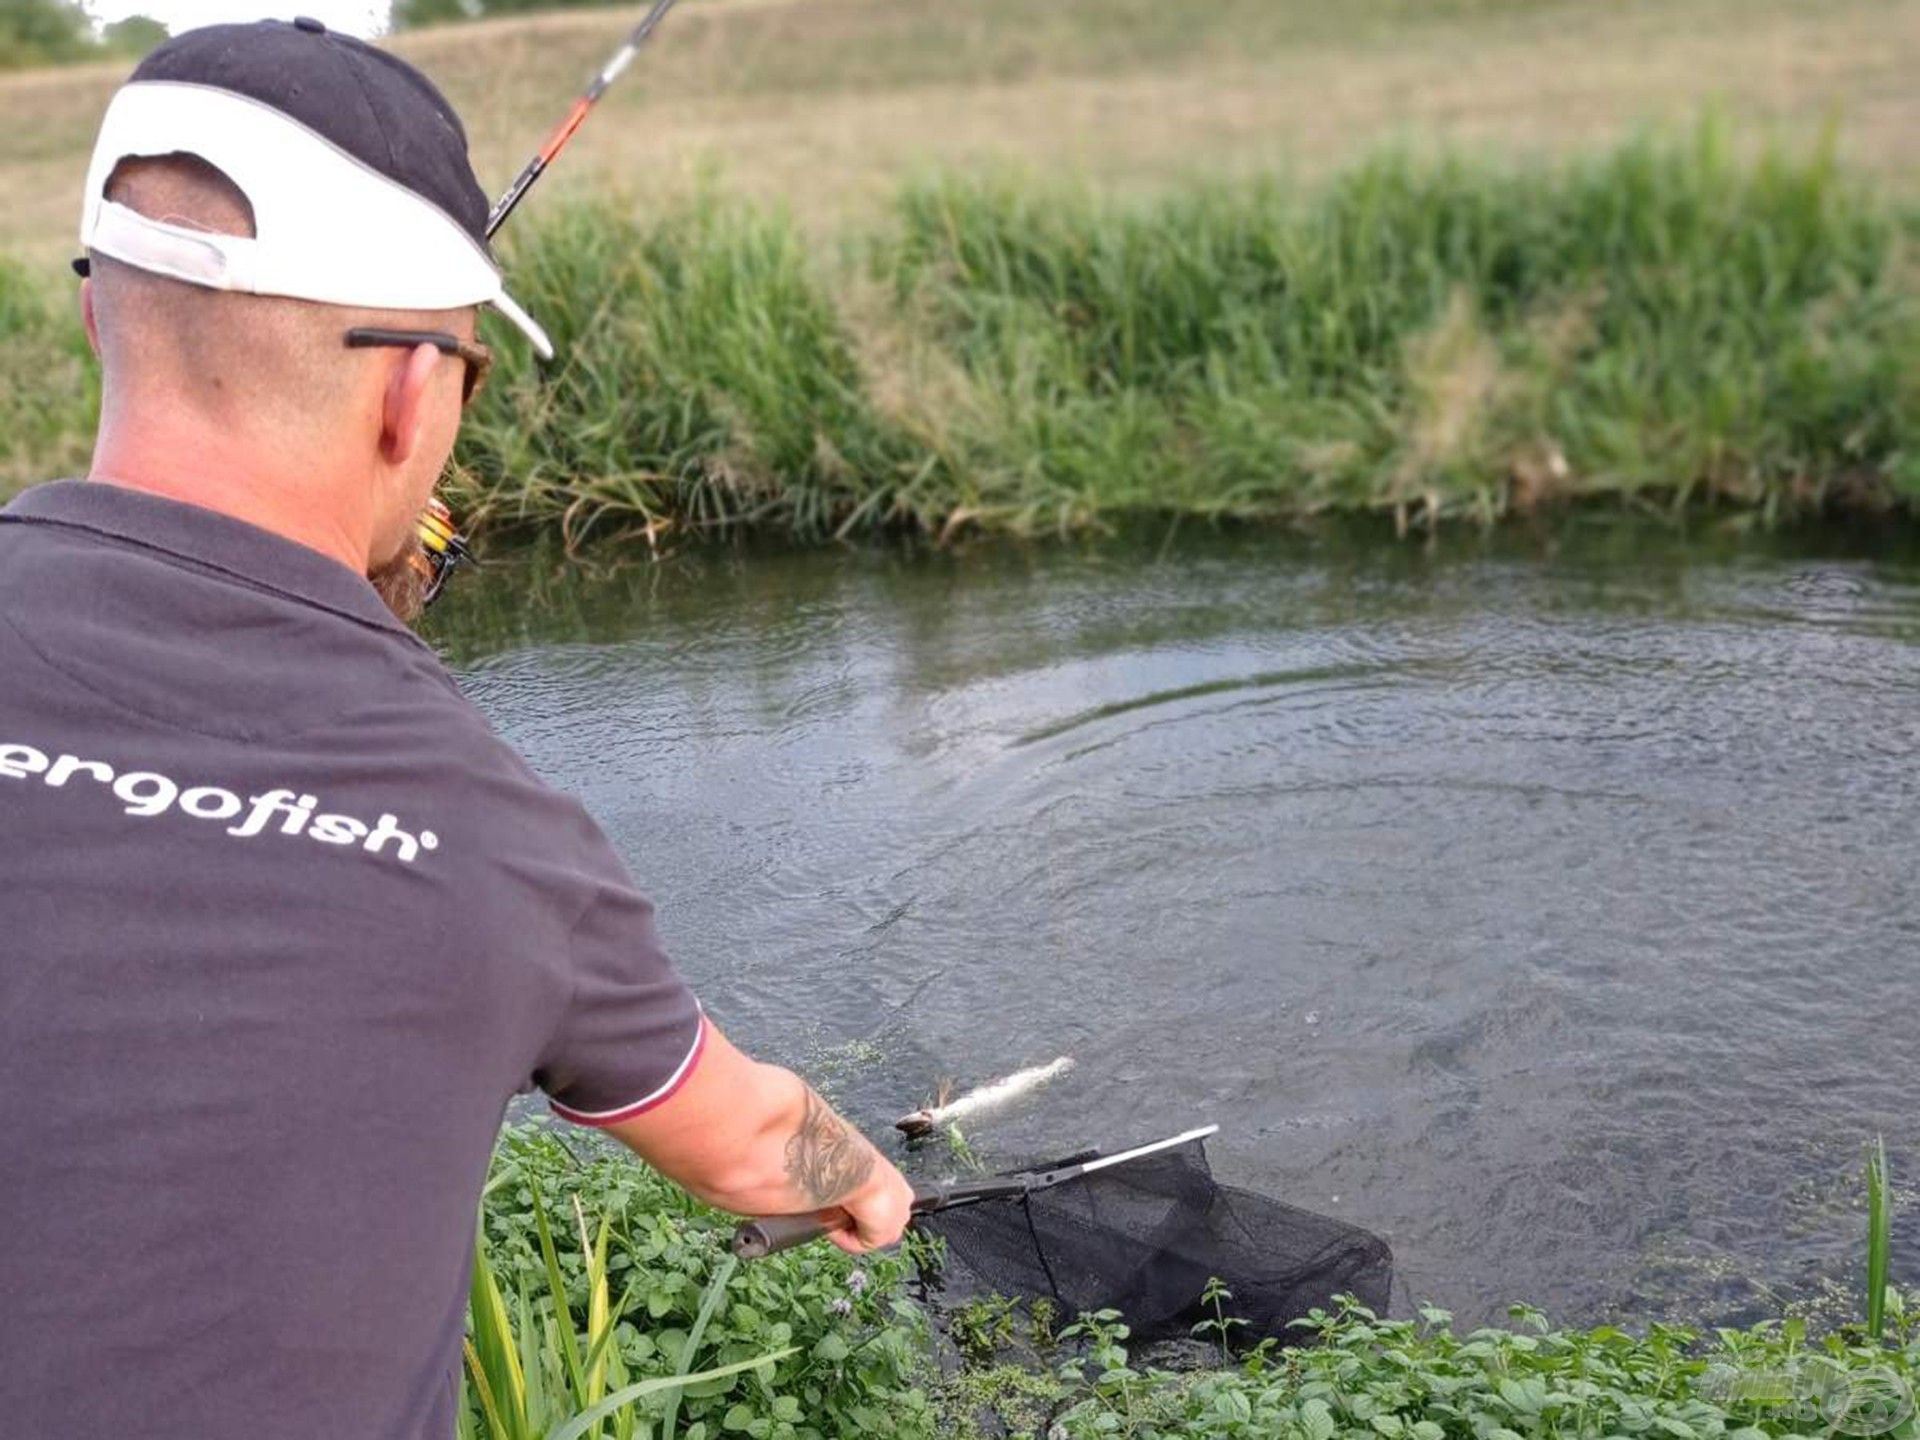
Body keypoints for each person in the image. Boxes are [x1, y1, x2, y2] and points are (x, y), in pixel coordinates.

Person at [0, 19, 913, 1440]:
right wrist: (861, 1175)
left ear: (96, 314)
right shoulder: (492, 832)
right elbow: (748, 1142)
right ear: (419, 391)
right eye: (469, 375)